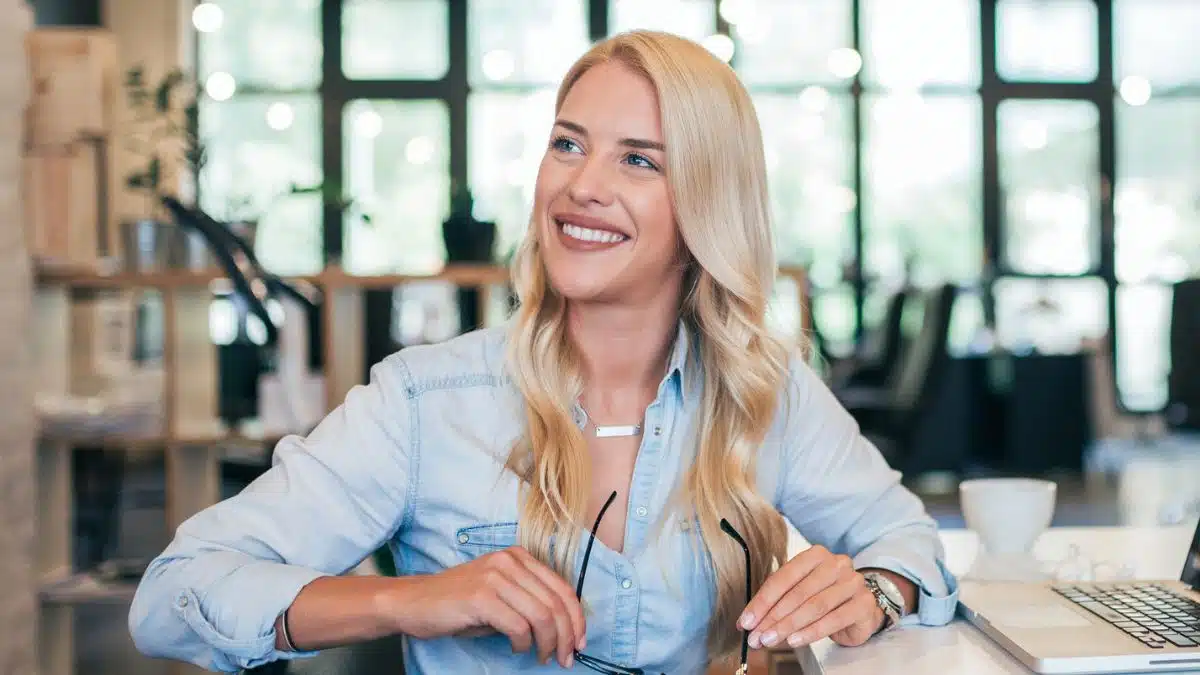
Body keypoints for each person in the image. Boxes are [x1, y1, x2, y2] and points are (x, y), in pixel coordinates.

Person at [128, 30, 958, 674]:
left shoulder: (765, 393)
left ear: (706, 204)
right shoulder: (426, 401)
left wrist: (876, 590)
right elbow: (172, 595)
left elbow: (910, 542)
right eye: (569, 143)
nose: (581, 184)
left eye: (637, 160)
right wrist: (411, 599)